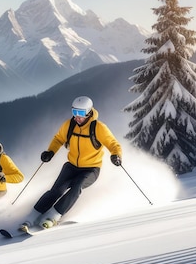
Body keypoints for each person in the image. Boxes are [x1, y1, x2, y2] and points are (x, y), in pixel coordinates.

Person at [20, 96, 122, 231]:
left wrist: (116, 155)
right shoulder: (69, 125)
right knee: (56, 190)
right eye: (74, 112)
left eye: (80, 113)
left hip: (91, 169)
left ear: (88, 112)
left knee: (76, 187)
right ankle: (32, 217)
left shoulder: (98, 128)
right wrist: (50, 152)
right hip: (71, 166)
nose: (77, 117)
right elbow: (58, 139)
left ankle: (53, 216)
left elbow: (113, 144)